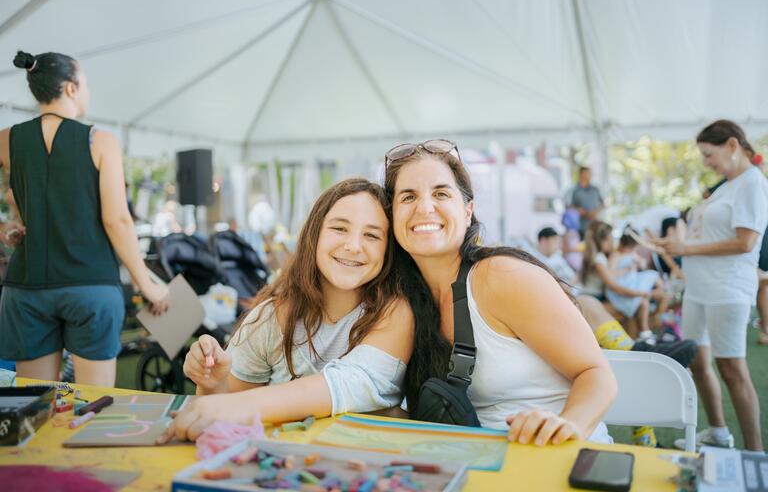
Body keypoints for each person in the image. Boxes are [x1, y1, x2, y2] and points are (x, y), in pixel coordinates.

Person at [384, 139, 616, 445]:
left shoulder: (501, 276)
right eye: (408, 197)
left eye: (441, 193)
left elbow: (597, 374)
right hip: (472, 465)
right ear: (392, 216)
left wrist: (567, 425)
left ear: (468, 212)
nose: (425, 208)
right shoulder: (402, 300)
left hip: (558, 458)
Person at [156, 178, 414, 443]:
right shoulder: (269, 318)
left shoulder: (395, 313)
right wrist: (211, 383)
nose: (353, 246)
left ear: (388, 249)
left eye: (371, 235)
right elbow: (218, 412)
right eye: (339, 228)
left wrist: (240, 406)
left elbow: (349, 383)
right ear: (314, 234)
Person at [0, 51, 168, 387]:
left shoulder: (6, 139)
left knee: (37, 408)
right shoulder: (101, 141)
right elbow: (117, 220)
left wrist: (7, 226)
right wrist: (145, 282)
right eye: (86, 83)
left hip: (27, 287)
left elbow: (17, 196)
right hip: (90, 286)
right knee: (95, 407)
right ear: (71, 89)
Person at [657, 120, 767, 452]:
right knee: (697, 361)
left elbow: (746, 241)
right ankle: (718, 431)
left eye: (708, 154)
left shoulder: (751, 183)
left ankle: (755, 452)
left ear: (732, 145)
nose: (706, 162)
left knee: (731, 368)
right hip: (701, 288)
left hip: (727, 288)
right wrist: (667, 243)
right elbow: (707, 235)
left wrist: (686, 249)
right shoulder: (725, 187)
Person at [580, 222, 657, 342]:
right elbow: (615, 287)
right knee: (633, 307)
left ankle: (637, 339)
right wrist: (640, 293)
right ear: (603, 241)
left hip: (596, 297)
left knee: (634, 307)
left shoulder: (599, 257)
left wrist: (626, 270)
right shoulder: (599, 259)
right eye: (611, 239)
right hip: (594, 299)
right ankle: (637, 339)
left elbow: (610, 275)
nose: (613, 243)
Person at [566, 166, 605, 238]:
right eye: (586, 174)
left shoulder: (595, 189)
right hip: (579, 227)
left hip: (594, 226)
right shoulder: (573, 190)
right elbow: (568, 205)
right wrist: (578, 210)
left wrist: (595, 212)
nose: (588, 176)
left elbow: (603, 204)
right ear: (580, 174)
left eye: (589, 174)